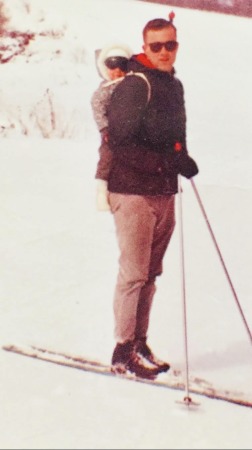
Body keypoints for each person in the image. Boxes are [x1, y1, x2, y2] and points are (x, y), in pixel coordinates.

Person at [106, 14, 199, 378]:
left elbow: (175, 134)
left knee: (151, 273)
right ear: (144, 48)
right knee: (133, 274)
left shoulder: (173, 85)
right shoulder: (136, 84)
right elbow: (119, 141)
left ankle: (139, 343)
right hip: (132, 192)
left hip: (162, 191)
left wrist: (181, 157)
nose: (164, 52)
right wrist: (167, 161)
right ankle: (122, 351)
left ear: (177, 45)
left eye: (170, 44)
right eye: (156, 46)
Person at [91, 44, 132, 211]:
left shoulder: (132, 84)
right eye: (112, 67)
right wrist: (104, 129)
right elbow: (97, 107)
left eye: (121, 66)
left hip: (130, 130)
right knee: (107, 156)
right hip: (111, 131)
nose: (117, 71)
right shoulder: (104, 89)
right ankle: (102, 191)